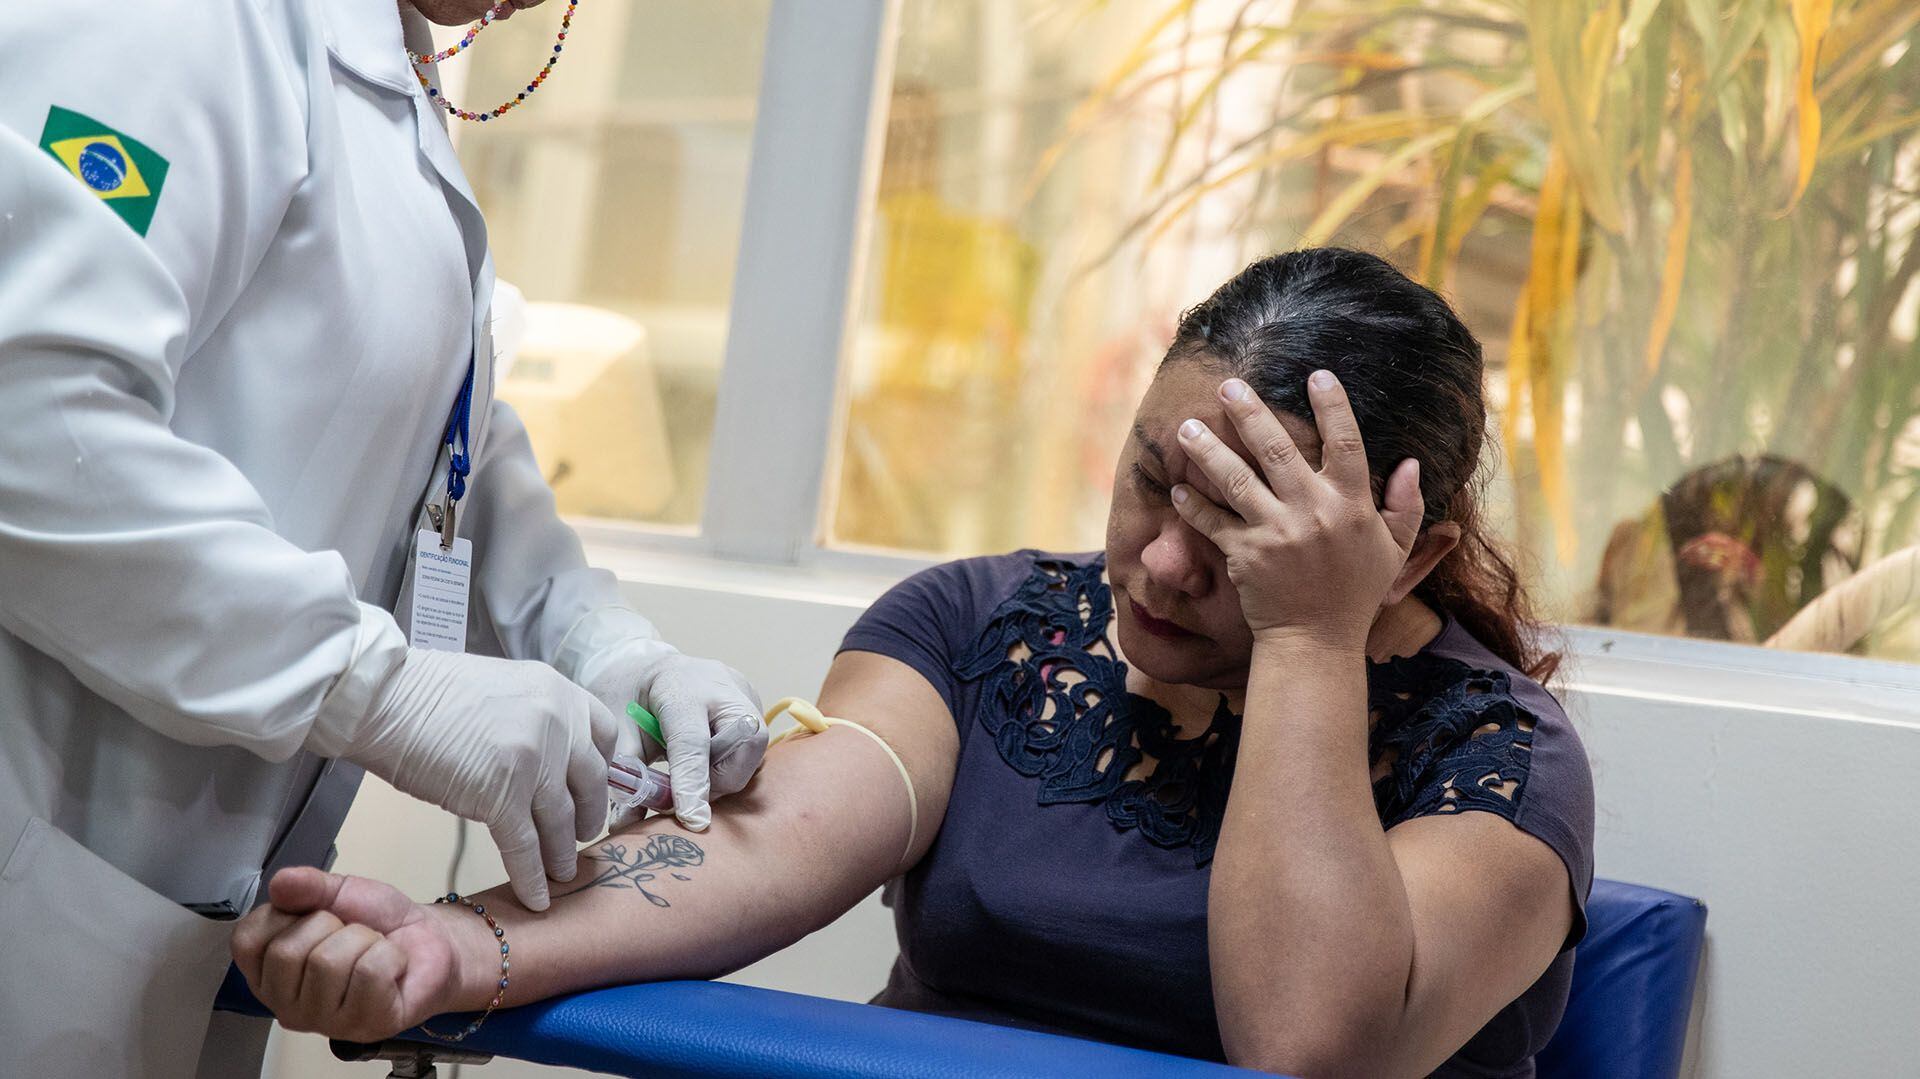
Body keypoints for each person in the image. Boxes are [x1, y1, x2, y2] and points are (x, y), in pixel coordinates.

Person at [233, 249, 1594, 1079]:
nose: (1166, 565)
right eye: (1147, 486)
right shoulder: (983, 623)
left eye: (1239, 534)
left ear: (1402, 558)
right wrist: (459, 943)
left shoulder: (1501, 760)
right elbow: (773, 844)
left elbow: (1308, 1046)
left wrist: (1306, 637)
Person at [0, 1, 767, 1076]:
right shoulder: (187, 23)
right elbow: (28, 417)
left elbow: (447, 465)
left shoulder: (382, 78)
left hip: (181, 906)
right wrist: (374, 687)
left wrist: (609, 648)